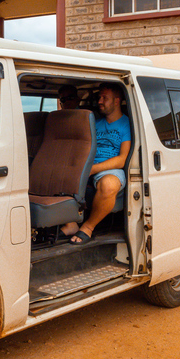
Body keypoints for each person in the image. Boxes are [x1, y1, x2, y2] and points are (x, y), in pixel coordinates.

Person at [61, 82, 131, 245]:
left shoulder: (127, 124)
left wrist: (92, 169)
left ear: (116, 101)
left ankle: (87, 227)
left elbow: (122, 159)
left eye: (104, 98)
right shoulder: (94, 122)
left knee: (109, 185)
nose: (99, 101)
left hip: (110, 168)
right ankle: (70, 223)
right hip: (86, 165)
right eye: (99, 97)